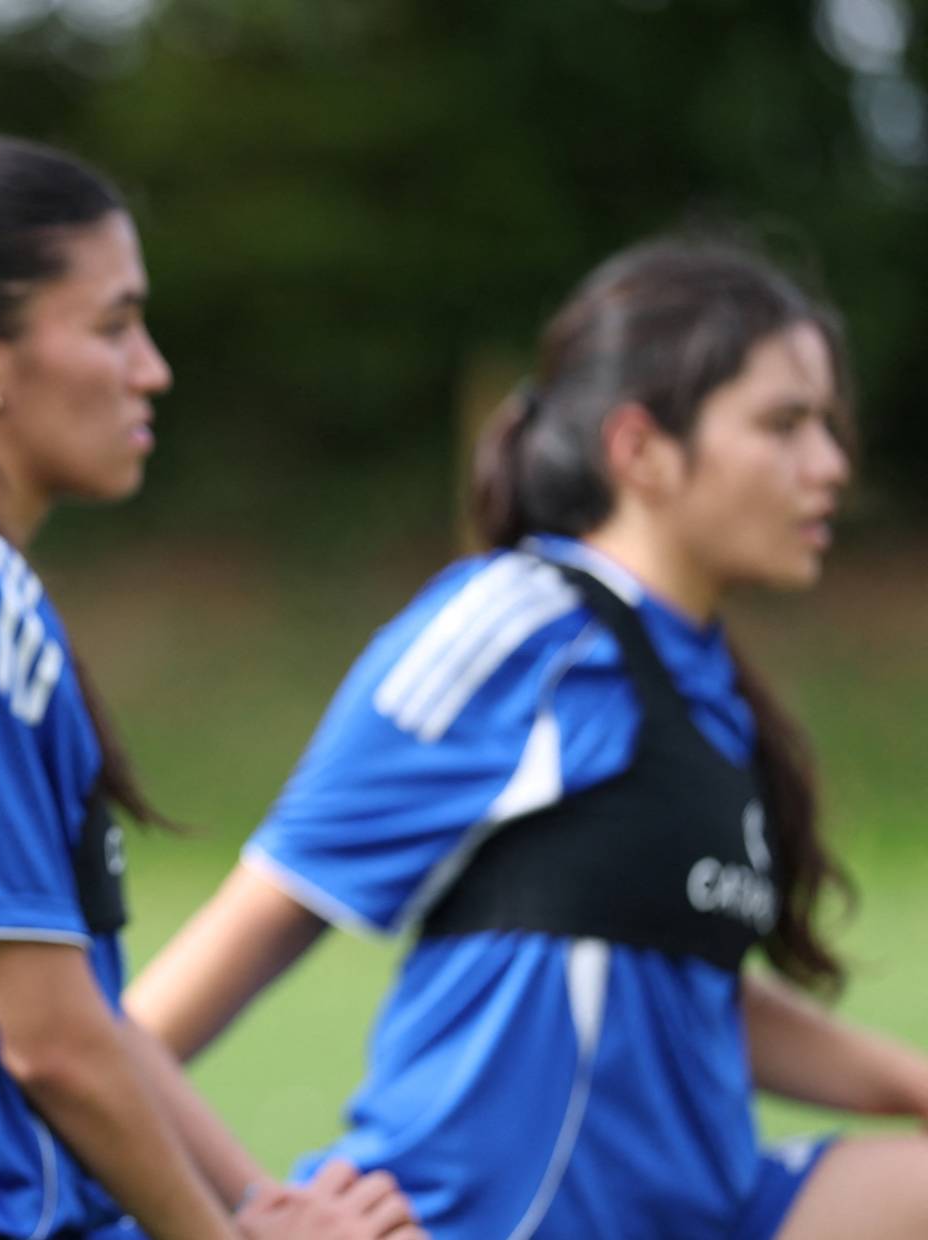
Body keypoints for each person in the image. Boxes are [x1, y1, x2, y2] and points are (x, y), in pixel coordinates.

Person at [124, 238, 928, 1238]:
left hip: (701, 1211)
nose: (830, 467)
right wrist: (257, 1211)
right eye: (783, 424)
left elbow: (682, 987)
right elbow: (176, 996)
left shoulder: (708, 686)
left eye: (827, 426)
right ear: (639, 449)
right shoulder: (516, 632)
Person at [0, 132, 420, 1240]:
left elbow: (81, 1008)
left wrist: (266, 1205)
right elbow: (51, 1045)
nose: (151, 369)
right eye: (114, 327)